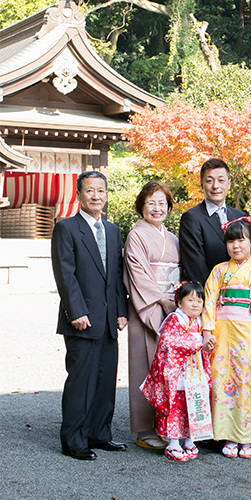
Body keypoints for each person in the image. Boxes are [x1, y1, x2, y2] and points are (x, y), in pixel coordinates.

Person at [51, 170, 128, 461]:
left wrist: (121, 312)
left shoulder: (112, 230)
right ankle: (74, 440)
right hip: (81, 318)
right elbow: (65, 274)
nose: (96, 196)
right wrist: (76, 311)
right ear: (79, 194)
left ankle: (100, 433)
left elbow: (117, 274)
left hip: (109, 319)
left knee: (105, 378)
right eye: (90, 191)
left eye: (101, 191)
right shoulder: (66, 228)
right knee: (81, 380)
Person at [202, 217, 251, 458]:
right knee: (221, 382)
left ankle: (247, 437)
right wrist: (207, 331)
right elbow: (209, 302)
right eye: (231, 241)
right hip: (222, 335)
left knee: (247, 384)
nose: (236, 246)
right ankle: (226, 435)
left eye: (241, 240)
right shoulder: (219, 271)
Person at [123, 181, 180, 450]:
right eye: (151, 203)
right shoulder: (136, 235)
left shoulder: (174, 238)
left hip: (173, 306)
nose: (157, 209)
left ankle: (169, 425)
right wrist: (161, 300)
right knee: (145, 366)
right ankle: (145, 429)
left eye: (162, 203)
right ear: (141, 207)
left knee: (170, 369)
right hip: (146, 305)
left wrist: (178, 302)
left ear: (169, 207)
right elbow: (138, 273)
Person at [141, 282, 211, 461]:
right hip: (178, 371)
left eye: (199, 301)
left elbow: (203, 345)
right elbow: (170, 342)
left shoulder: (200, 322)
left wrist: (207, 345)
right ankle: (173, 442)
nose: (196, 304)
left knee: (193, 403)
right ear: (179, 302)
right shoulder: (175, 319)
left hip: (195, 370)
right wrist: (196, 344)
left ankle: (189, 439)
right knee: (176, 406)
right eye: (190, 300)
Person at [179, 158, 246, 284]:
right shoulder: (191, 218)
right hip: (210, 294)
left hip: (241, 293)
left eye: (221, 180)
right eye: (209, 181)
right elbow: (195, 267)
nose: (216, 186)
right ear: (201, 185)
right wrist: (212, 297)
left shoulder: (240, 216)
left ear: (229, 183)